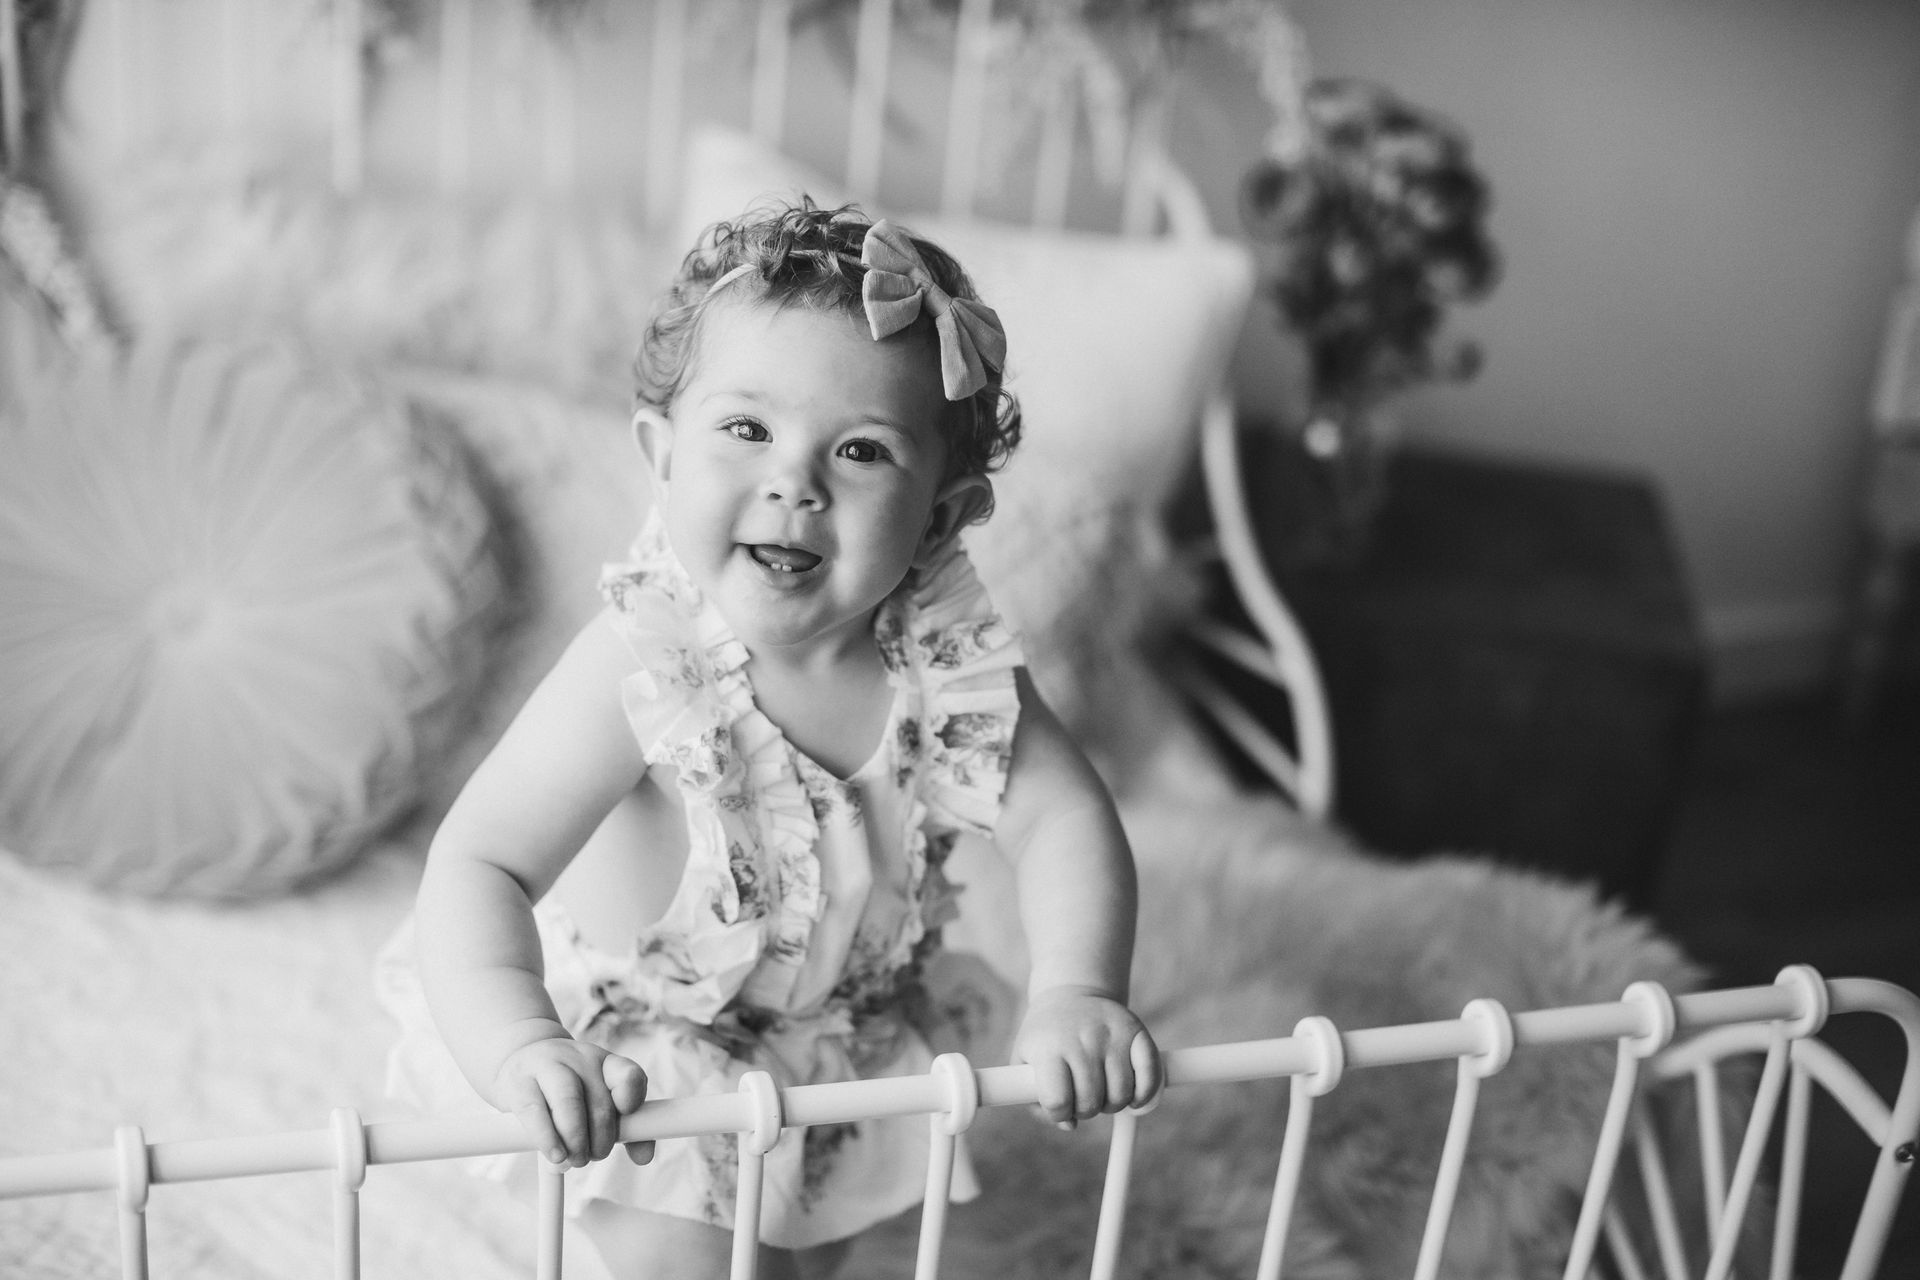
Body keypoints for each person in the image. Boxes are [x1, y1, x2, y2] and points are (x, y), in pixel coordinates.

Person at [377, 199, 1160, 1279]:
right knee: (693, 1263)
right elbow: (482, 860)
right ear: (661, 456)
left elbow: (1063, 818)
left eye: (861, 449)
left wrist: (1078, 988)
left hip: (834, 1043)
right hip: (645, 1058)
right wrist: (522, 1044)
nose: (796, 482)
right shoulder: (645, 659)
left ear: (938, 517)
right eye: (747, 430)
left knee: (806, 1258)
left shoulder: (945, 656)